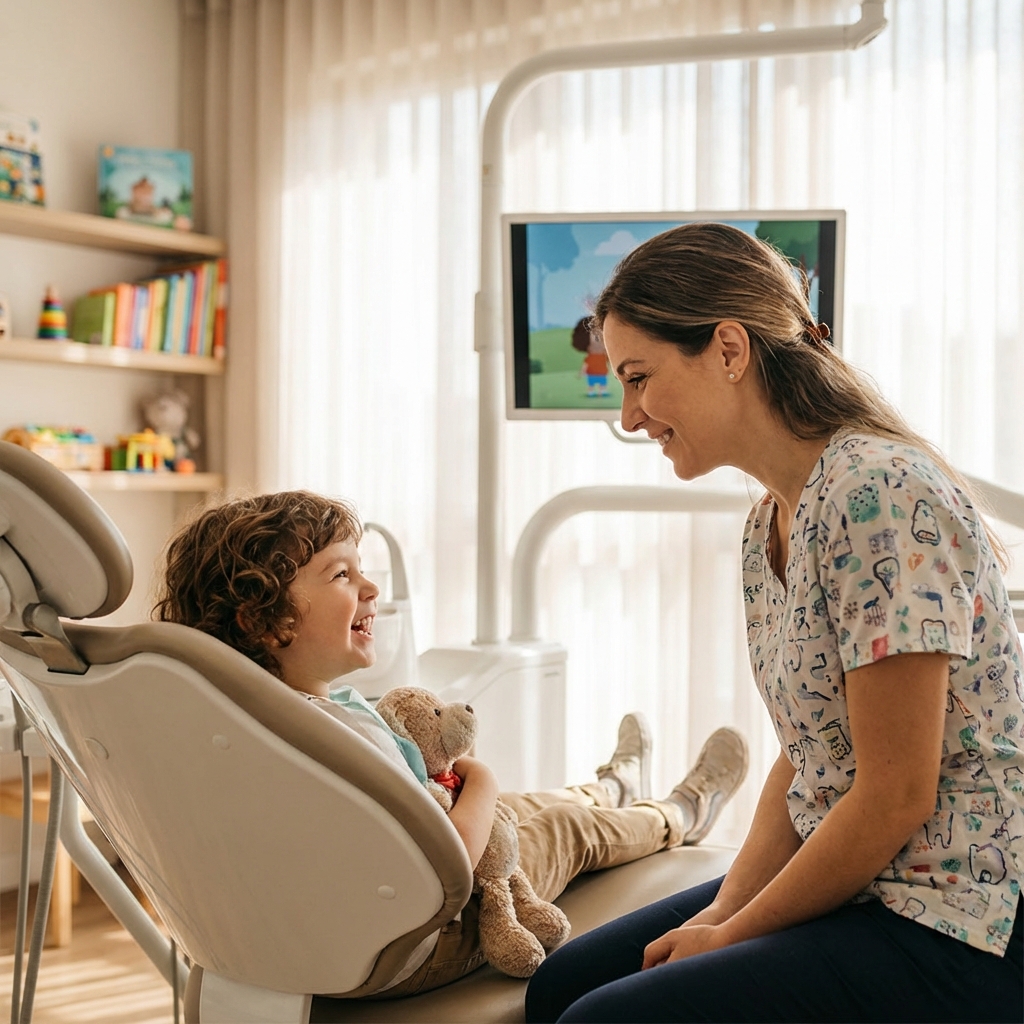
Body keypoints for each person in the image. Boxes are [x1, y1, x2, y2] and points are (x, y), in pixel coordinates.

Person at [525, 222, 1024, 1023]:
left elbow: (895, 795)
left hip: (957, 915)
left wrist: (732, 936)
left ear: (728, 349)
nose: (629, 415)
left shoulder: (879, 494)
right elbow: (808, 761)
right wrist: (716, 917)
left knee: (602, 1019)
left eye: (639, 377)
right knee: (560, 986)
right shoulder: (769, 525)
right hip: (866, 879)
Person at [153, 490, 748, 997]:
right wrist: (480, 778)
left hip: (315, 935)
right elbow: (449, 865)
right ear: (266, 621)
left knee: (523, 810)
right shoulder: (339, 741)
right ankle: (679, 812)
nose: (370, 588)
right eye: (341, 574)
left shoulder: (239, 724)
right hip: (429, 939)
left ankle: (610, 786)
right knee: (566, 827)